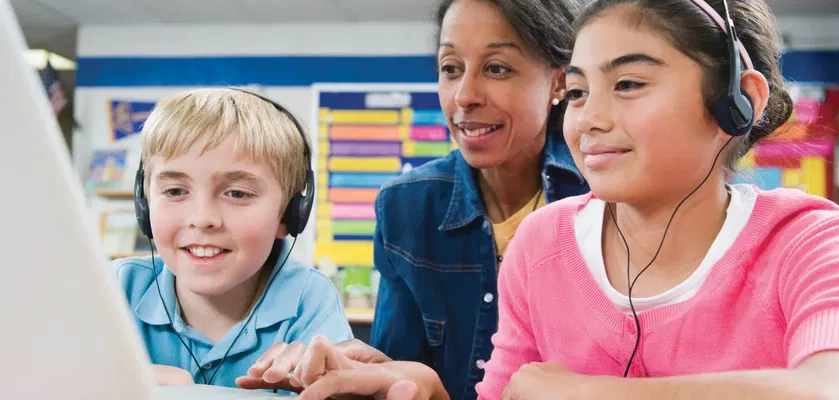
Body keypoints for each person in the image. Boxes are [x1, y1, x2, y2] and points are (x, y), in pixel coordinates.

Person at [246, 0, 839, 399]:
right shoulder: (547, 242)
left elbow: (833, 388)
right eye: (580, 91)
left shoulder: (813, 240)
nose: (589, 118)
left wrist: (580, 391)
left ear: (736, 100)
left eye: (627, 84)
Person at [237, 0, 589, 398]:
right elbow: (399, 368)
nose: (464, 96)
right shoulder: (406, 207)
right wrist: (360, 375)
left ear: (560, 82)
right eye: (451, 69)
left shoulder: (603, 199)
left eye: (497, 68)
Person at [111, 88, 353, 388]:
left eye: (237, 193)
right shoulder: (115, 289)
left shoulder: (308, 298)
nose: (202, 219)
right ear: (144, 205)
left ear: (289, 214)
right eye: (175, 191)